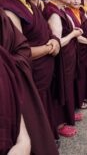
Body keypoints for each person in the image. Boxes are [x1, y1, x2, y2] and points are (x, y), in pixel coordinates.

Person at [0, 0, 61, 141]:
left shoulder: (27, 4)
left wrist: (54, 40)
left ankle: (48, 135)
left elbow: (44, 30)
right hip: (31, 75)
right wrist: (50, 47)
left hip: (43, 71)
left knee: (45, 107)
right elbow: (18, 53)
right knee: (34, 113)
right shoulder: (9, 11)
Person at [0, 8, 59, 154]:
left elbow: (20, 47)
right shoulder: (10, 9)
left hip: (11, 85)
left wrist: (23, 136)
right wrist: (49, 47)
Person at [43, 0, 83, 137]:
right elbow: (57, 42)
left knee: (67, 87)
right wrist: (73, 35)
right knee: (60, 88)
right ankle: (59, 124)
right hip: (60, 58)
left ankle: (68, 115)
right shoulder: (53, 12)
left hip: (68, 57)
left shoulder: (59, 9)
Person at [66, 0, 87, 109]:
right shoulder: (67, 13)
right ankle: (78, 100)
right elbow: (74, 34)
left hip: (85, 50)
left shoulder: (81, 11)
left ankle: (85, 96)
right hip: (76, 49)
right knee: (78, 75)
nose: (76, 1)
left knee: (85, 73)